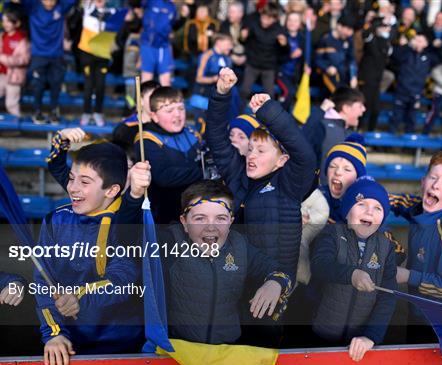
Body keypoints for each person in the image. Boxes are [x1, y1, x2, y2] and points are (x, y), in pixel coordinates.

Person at [206, 68, 316, 347]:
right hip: (233, 285)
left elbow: (304, 153)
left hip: (274, 288)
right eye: (250, 149)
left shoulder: (289, 184)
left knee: (264, 347)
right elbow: (217, 139)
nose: (251, 156)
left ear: (281, 161)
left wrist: (270, 112)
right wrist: (221, 95)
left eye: (261, 151)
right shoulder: (238, 176)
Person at [34, 142, 149, 365]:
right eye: (71, 178)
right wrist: (54, 333)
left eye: (84, 182)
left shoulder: (129, 224)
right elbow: (43, 283)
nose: (73, 188)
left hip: (125, 345)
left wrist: (78, 296)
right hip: (70, 344)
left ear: (112, 190)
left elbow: (123, 280)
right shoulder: (55, 220)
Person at [158, 180, 292, 344]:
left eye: (220, 218)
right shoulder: (172, 241)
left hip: (227, 348)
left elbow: (281, 270)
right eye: (200, 218)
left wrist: (275, 282)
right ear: (184, 223)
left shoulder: (240, 245)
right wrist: (134, 197)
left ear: (230, 221)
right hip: (181, 348)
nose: (211, 227)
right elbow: (129, 244)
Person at [390, 152, 442, 343]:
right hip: (419, 310)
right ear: (423, 181)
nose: (436, 185)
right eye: (433, 177)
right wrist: (372, 197)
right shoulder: (420, 207)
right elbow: (400, 202)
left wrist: (408, 276)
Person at [311, 176, 396, 361]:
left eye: (378, 208)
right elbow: (320, 266)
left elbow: (387, 298)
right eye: (361, 204)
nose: (369, 212)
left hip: (360, 343)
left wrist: (371, 336)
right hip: (321, 334)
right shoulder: (331, 234)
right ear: (347, 211)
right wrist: (351, 274)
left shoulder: (387, 248)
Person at [134, 86, 203, 224]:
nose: (177, 114)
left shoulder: (192, 133)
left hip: (197, 211)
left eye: (181, 108)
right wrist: (203, 173)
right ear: (154, 116)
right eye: (169, 110)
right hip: (164, 217)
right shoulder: (147, 139)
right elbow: (163, 176)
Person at [14, 0, 77, 124]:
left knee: (56, 85)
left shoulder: (61, 6)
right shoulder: (32, 6)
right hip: (38, 55)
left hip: (57, 55)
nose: (50, 2)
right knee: (38, 85)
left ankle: (54, 111)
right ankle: (36, 111)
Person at [389, 33, 442, 134]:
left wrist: (440, 46)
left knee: (411, 121)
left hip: (416, 94)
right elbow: (395, 56)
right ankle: (387, 144)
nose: (417, 42)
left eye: (420, 40)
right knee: (396, 119)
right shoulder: (407, 52)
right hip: (401, 92)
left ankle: (409, 147)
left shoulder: (429, 56)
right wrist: (406, 45)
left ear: (426, 43)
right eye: (415, 40)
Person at [302, 87, 365, 178]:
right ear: (346, 108)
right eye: (360, 106)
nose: (364, 109)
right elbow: (302, 146)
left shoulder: (349, 131)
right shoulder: (322, 126)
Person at [78, 0, 119, 127]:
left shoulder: (111, 13)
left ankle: (98, 112)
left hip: (102, 54)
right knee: (88, 86)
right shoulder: (88, 8)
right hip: (87, 53)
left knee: (100, 86)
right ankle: (86, 112)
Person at [239, 3, 288, 103]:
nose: (264, 21)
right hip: (252, 64)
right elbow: (244, 42)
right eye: (263, 17)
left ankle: (268, 117)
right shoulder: (253, 23)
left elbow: (285, 52)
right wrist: (242, 37)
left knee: (269, 95)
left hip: (269, 67)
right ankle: (237, 114)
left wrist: (284, 45)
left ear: (274, 19)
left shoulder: (279, 30)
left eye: (268, 19)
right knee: (244, 91)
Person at [0, 7, 30, 118]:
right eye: (3, 21)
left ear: (16, 23)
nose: (5, 24)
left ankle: (15, 123)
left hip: (14, 77)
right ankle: (4, 118)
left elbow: (24, 59)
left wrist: (6, 59)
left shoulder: (22, 38)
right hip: (2, 73)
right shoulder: (2, 36)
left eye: (8, 21)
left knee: (12, 103)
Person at [358, 16, 392, 132]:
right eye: (384, 27)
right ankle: (357, 129)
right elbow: (365, 34)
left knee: (376, 109)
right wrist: (376, 24)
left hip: (377, 80)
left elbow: (387, 52)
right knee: (364, 108)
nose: (386, 29)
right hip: (367, 79)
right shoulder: (371, 37)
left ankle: (370, 134)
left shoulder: (385, 42)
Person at [315, 14, 358, 94]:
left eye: (351, 30)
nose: (350, 33)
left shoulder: (349, 40)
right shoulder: (326, 39)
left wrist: (353, 76)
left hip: (344, 76)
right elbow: (317, 60)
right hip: (329, 76)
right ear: (339, 26)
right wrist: (327, 68)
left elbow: (351, 59)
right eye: (348, 29)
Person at [140, 0, 177, 86]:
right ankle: (143, 99)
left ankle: (166, 99)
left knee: (166, 81)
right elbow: (136, 4)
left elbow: (173, 24)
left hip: (163, 47)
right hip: (148, 45)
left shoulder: (171, 6)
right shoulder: (150, 2)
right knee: (146, 79)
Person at [277, 11, 304, 111]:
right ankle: (279, 117)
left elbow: (306, 56)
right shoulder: (281, 36)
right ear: (286, 21)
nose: (292, 23)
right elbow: (276, 57)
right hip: (281, 72)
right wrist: (291, 56)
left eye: (296, 21)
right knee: (289, 92)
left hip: (295, 74)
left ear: (300, 23)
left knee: (295, 94)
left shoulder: (302, 38)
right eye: (290, 20)